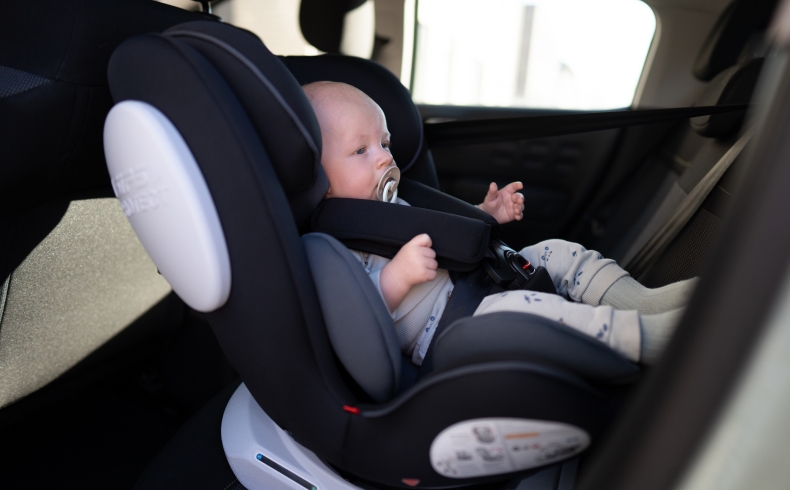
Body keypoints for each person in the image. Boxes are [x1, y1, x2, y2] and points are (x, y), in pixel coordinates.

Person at [303, 81, 696, 366]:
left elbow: (441, 233)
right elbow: (351, 319)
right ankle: (648, 339)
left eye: (385, 144)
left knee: (559, 251)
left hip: (476, 282)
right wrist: (397, 278)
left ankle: (645, 302)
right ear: (316, 177)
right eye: (360, 149)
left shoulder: (388, 203)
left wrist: (484, 214)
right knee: (529, 311)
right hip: (450, 330)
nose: (383, 159)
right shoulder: (330, 246)